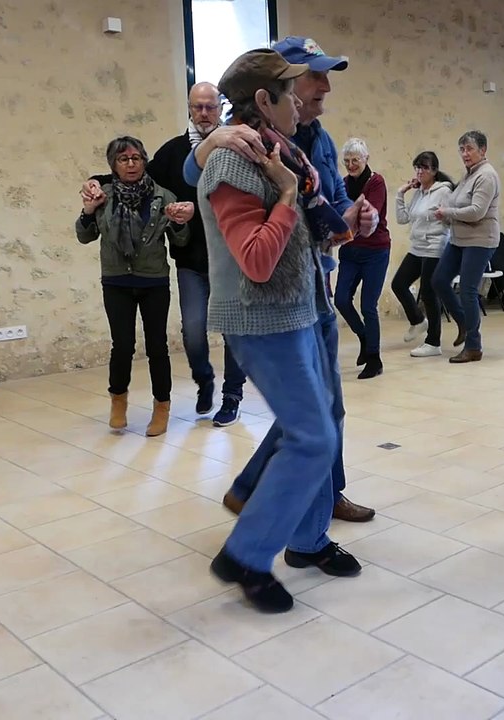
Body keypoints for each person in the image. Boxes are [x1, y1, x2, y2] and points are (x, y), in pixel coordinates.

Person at [187, 36, 377, 523]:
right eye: (313, 77)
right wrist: (209, 142)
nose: (324, 87)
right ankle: (303, 524)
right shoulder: (239, 143)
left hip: (315, 288)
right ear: (272, 90)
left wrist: (358, 219)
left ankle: (285, 497)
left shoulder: (316, 142)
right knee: (313, 421)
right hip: (272, 304)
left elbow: (332, 208)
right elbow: (197, 172)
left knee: (319, 414)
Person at [80, 83, 249, 427]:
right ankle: (204, 379)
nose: (204, 113)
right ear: (189, 108)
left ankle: (232, 395)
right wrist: (95, 180)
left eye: (210, 107)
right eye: (198, 107)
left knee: (234, 331)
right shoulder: (173, 152)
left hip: (231, 258)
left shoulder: (235, 150)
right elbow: (135, 175)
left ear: (220, 108)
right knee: (193, 333)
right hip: (190, 260)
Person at [75, 136, 194, 438]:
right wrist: (88, 211)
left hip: (153, 281)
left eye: (136, 158)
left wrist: (179, 222)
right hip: (116, 281)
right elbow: (84, 236)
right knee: (122, 345)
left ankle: (162, 407)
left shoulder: (163, 196)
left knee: (157, 347)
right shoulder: (102, 195)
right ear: (113, 165)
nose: (131, 164)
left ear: (144, 161)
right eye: (123, 159)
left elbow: (181, 241)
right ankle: (118, 401)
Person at [431, 131, 501, 364]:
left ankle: (473, 346)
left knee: (468, 290)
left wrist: (448, 212)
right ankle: (463, 322)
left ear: (483, 150)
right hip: (459, 239)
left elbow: (477, 211)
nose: (465, 154)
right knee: (439, 280)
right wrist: (444, 211)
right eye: (461, 149)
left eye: (469, 149)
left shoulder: (486, 175)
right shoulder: (468, 174)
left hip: (480, 240)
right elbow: (456, 201)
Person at [336, 137, 392, 379]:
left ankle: (374, 359)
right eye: (347, 161)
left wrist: (348, 215)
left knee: (368, 306)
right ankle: (363, 336)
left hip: (375, 251)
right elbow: (338, 212)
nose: (351, 165)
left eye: (355, 160)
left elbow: (369, 215)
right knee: (341, 299)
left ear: (366, 159)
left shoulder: (376, 182)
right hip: (350, 251)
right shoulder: (343, 183)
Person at [393, 151, 455, 357]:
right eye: (417, 167)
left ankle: (433, 342)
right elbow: (403, 219)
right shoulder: (419, 192)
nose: (419, 171)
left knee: (429, 293)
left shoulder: (444, 191)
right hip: (417, 247)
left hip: (435, 247)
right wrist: (400, 193)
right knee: (398, 284)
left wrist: (445, 216)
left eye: (424, 168)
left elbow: (452, 218)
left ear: (434, 171)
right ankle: (418, 320)